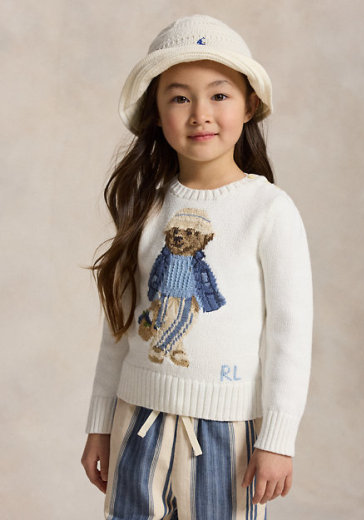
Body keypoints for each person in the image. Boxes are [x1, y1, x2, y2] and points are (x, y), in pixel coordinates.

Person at [80, 13, 313, 520]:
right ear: (156, 112)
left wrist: (277, 438)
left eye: (219, 95)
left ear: (250, 105)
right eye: (180, 98)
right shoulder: (146, 207)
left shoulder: (269, 210)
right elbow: (117, 327)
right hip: (136, 420)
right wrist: (100, 423)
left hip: (228, 435)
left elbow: (290, 334)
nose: (200, 114)